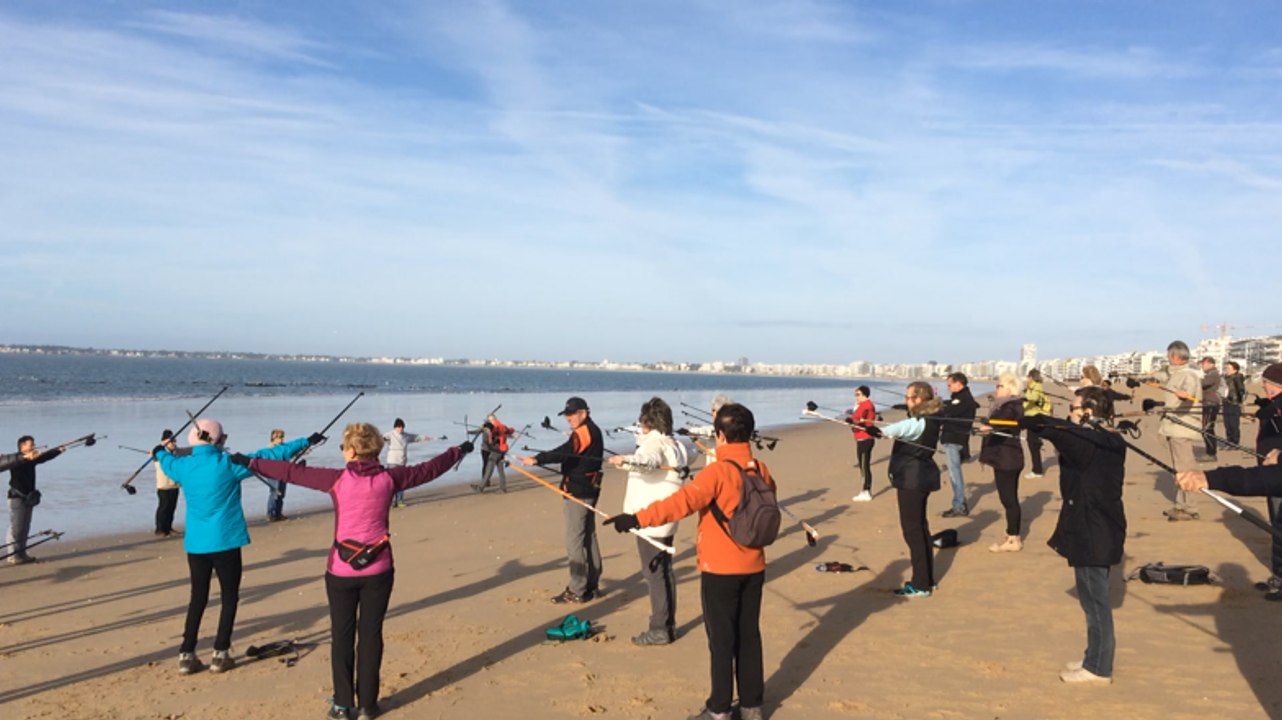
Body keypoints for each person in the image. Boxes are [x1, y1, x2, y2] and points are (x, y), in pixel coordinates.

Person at [241, 423, 471, 720]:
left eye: (343, 447)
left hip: (341, 572)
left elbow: (289, 472)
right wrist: (457, 451)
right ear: (376, 450)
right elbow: (430, 469)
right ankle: (367, 705)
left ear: (350, 451)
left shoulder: (337, 479)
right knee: (371, 635)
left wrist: (250, 462)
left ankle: (342, 704)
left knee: (342, 636)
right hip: (379, 570)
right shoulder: (391, 477)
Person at [604, 402, 772, 720]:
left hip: (721, 569)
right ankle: (752, 706)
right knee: (749, 635)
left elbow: (680, 504)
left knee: (722, 640)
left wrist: (636, 518)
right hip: (755, 565)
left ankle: (719, 709)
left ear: (720, 436)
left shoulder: (718, 472)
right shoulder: (760, 469)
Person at [154, 419, 319, 675]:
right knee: (229, 596)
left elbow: (166, 460)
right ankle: (220, 654)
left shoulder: (183, 466)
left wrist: (160, 450)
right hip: (226, 541)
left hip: (197, 544)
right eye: (223, 438)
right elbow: (269, 455)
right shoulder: (228, 464)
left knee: (198, 597)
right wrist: (305, 442)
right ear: (217, 441)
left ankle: (187, 654)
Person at [1027, 387, 1127, 684]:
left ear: (1088, 412)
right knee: (1091, 600)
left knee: (1095, 602)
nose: (1069, 412)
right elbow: (1067, 435)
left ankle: (1098, 669)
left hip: (1094, 528)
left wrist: (1039, 422)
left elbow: (1064, 435)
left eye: (1074, 407)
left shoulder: (1097, 441)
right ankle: (1094, 657)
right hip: (1095, 525)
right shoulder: (1101, 438)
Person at [605, 397, 690, 646]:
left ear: (647, 422)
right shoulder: (675, 445)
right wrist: (628, 462)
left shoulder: (654, 444)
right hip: (664, 519)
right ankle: (666, 624)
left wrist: (626, 460)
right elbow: (661, 462)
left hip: (651, 522)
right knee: (663, 571)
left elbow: (648, 461)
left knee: (654, 574)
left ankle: (660, 628)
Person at [520, 397, 604, 604]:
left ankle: (577, 588)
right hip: (589, 489)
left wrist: (538, 458)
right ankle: (592, 584)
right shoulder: (590, 430)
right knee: (588, 536)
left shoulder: (585, 431)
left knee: (575, 539)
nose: (569, 418)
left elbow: (566, 452)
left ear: (584, 413)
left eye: (572, 414)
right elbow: (572, 448)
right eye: (567, 415)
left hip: (579, 491)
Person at [866, 381, 942, 598]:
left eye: (910, 397)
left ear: (921, 400)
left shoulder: (919, 422)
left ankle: (920, 584)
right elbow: (905, 427)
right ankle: (927, 579)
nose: (906, 401)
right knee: (920, 528)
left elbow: (900, 428)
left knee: (913, 531)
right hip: (920, 478)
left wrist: (879, 431)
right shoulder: (929, 418)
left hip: (913, 480)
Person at [979, 373, 1025, 552]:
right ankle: (1012, 533)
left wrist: (989, 426)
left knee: (1009, 500)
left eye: (999, 386)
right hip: (1007, 458)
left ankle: (1013, 539)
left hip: (1007, 459)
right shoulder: (1007, 406)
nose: (996, 388)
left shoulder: (1010, 406)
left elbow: (1002, 422)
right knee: (1008, 499)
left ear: (1009, 389)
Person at [1157, 341, 1202, 521]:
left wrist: (1185, 396)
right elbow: (1165, 376)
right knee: (1179, 468)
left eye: (1169, 356)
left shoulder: (1189, 375)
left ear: (1176, 357)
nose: (1168, 359)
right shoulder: (1176, 373)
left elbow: (1189, 395)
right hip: (1174, 427)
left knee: (1185, 468)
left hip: (1182, 428)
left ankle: (1189, 508)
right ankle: (1180, 505)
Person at [6, 436, 67, 565]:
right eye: (30, 445)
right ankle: (13, 555)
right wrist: (28, 456)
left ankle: (22, 553)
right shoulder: (15, 460)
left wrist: (58, 451)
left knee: (25, 527)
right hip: (17, 498)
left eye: (34, 445)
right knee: (16, 528)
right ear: (22, 447)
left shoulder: (32, 459)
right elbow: (17, 461)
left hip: (28, 497)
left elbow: (44, 457)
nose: (33, 447)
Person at [1251, 364, 1282, 597]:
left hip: (1277, 471)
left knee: (1280, 526)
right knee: (1276, 526)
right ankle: (1278, 576)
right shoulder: (1275, 404)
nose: (1263, 384)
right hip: (1270, 470)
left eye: (1266, 382)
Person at [938, 372, 979, 517]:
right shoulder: (962, 398)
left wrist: (937, 409)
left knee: (954, 473)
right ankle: (959, 503)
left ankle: (959, 505)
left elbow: (947, 412)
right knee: (954, 472)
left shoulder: (963, 399)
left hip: (954, 439)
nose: (948, 387)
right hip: (956, 438)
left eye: (950, 384)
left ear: (959, 383)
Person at [382, 419, 433, 508]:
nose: (401, 429)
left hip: (402, 461)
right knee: (392, 482)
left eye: (402, 427)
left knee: (402, 482)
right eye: (399, 427)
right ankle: (393, 501)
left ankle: (400, 500)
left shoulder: (406, 436)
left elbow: (415, 437)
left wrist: (426, 437)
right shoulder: (390, 435)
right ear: (395, 427)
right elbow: (380, 438)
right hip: (392, 461)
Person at [847, 386, 877, 502]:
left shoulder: (866, 405)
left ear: (864, 395)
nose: (856, 397)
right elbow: (856, 418)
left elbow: (859, 419)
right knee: (863, 466)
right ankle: (865, 490)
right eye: (855, 394)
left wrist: (852, 421)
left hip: (865, 440)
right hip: (861, 439)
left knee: (864, 466)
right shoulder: (862, 406)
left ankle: (866, 491)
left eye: (858, 394)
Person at [473, 414, 516, 493]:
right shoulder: (502, 426)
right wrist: (512, 434)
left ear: (495, 419)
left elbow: (491, 434)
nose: (491, 421)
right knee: (500, 469)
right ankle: (503, 488)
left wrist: (484, 428)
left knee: (489, 469)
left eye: (492, 419)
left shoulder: (494, 428)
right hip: (502, 450)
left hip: (497, 451)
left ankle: (480, 488)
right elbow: (509, 430)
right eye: (490, 420)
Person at [1023, 369, 1051, 479]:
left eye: (1028, 377)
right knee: (1033, 443)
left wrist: (1027, 391)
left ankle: (1037, 471)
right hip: (1032, 416)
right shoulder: (1034, 386)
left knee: (1033, 444)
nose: (1027, 379)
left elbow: (1033, 398)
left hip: (1034, 417)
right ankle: (1037, 468)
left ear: (1031, 377)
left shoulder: (1036, 386)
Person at [155, 430, 182, 537]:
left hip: (174, 485)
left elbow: (186, 451)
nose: (174, 443)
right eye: (172, 441)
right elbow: (154, 454)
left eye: (175, 441)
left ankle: (168, 528)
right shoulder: (159, 453)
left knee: (172, 508)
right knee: (163, 508)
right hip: (163, 486)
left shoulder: (175, 452)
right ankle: (160, 529)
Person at [1199, 357, 1222, 463]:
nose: (1201, 366)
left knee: (1207, 428)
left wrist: (1194, 379)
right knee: (1206, 428)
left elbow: (1203, 384)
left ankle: (1211, 453)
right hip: (1208, 403)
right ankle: (1210, 452)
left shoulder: (1213, 374)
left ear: (1210, 364)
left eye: (1203, 364)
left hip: (1211, 404)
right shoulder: (1210, 374)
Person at [265, 429, 291, 521]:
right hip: (273, 474)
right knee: (274, 493)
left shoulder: (284, 448)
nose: (282, 439)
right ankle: (270, 514)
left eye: (282, 437)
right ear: (274, 438)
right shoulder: (269, 449)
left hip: (282, 472)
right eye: (280, 437)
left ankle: (278, 513)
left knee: (281, 494)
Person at [1222, 360, 1246, 447]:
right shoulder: (1225, 378)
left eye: (1228, 368)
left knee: (1233, 424)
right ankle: (1229, 441)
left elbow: (1241, 390)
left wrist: (1240, 401)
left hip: (1234, 403)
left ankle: (1235, 442)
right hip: (1226, 403)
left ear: (1235, 370)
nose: (1226, 369)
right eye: (1226, 368)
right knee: (1227, 424)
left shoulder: (1237, 378)